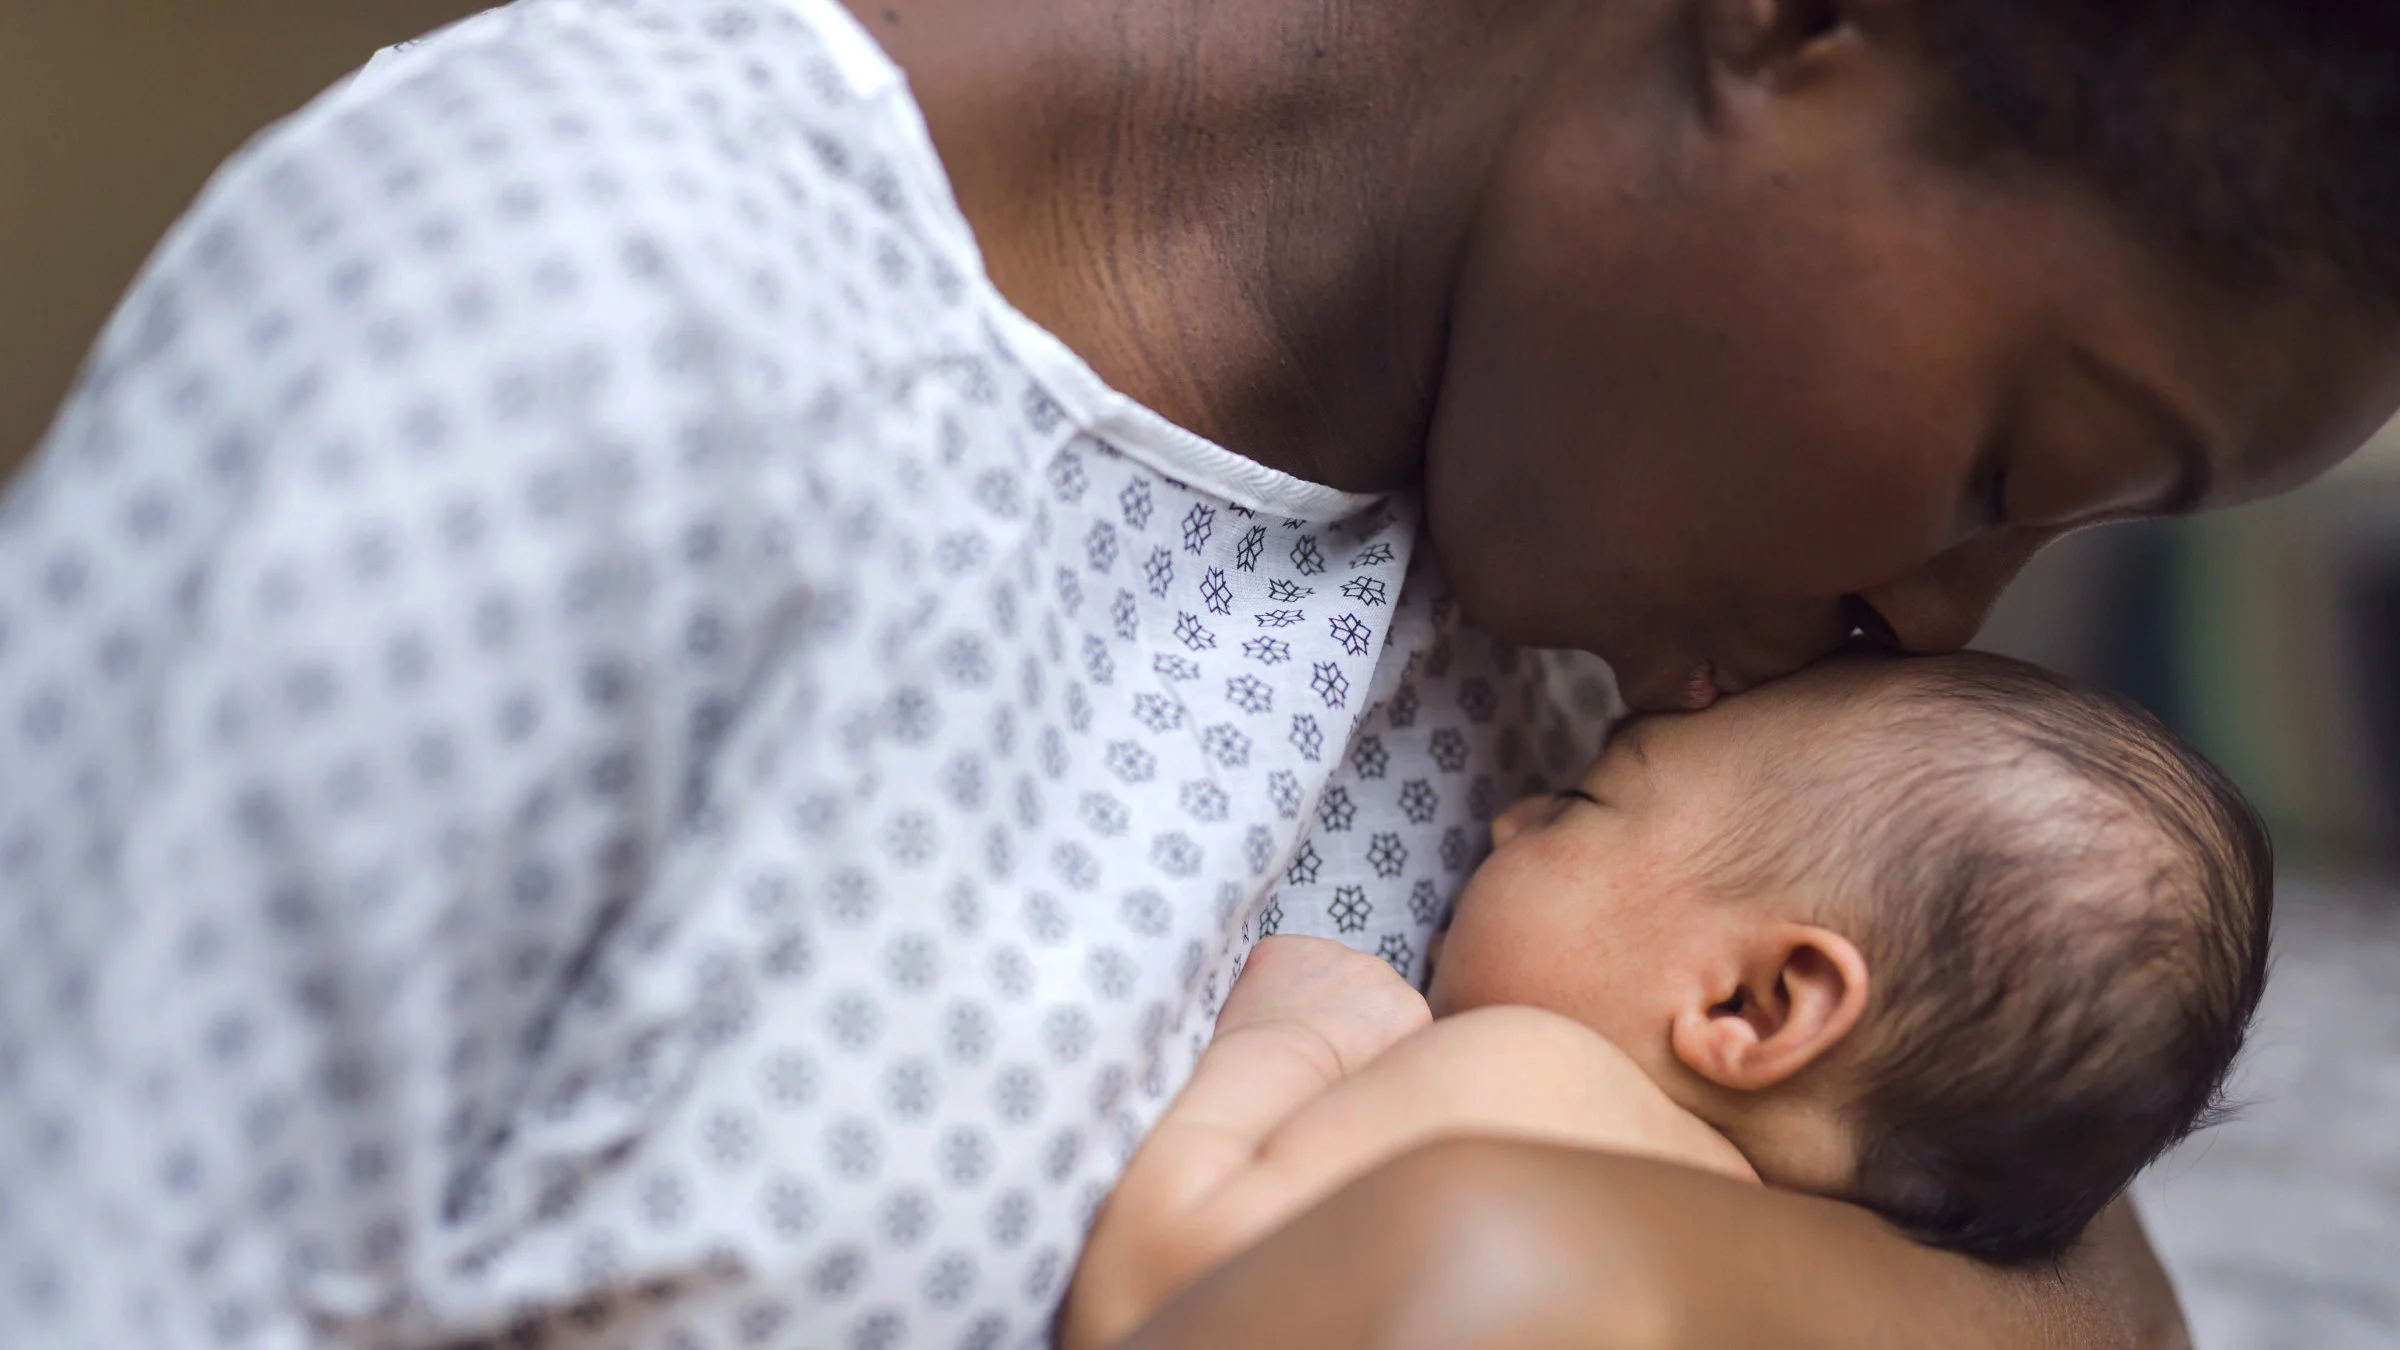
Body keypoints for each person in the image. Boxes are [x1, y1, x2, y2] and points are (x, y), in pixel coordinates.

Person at [0, 0, 2395, 1345]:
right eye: (2005, 458)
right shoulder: (574, 321)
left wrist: (1560, 1267)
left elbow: (2084, 1288)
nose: (1932, 627)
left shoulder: (1600, 604)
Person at [1061, 651, 2271, 1348]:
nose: (1512, 813)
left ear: (1754, 1007)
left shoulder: (1532, 1084)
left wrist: (1298, 1036)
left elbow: (1152, 1290)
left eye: (1587, 801)